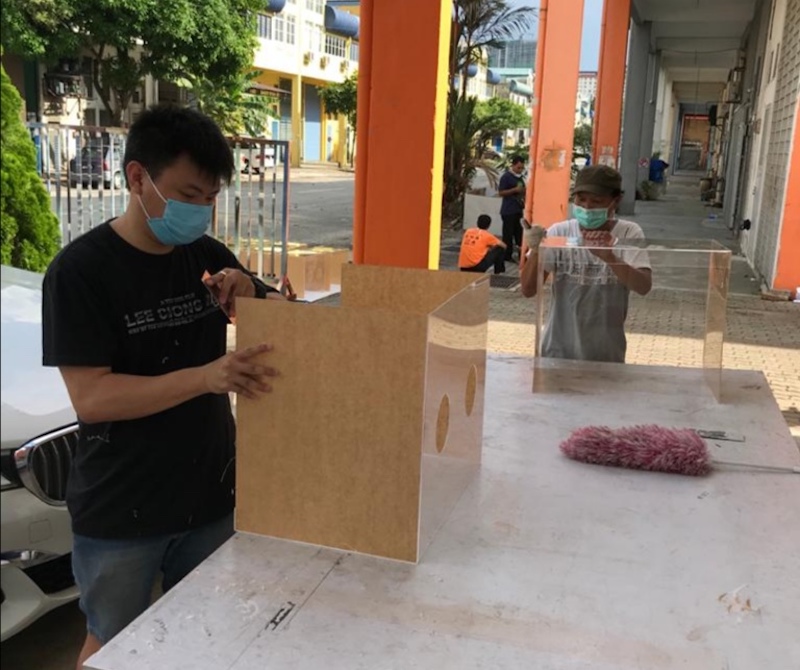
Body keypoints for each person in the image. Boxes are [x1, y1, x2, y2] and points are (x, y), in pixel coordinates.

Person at [42, 104, 283, 669]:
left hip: (209, 498)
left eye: (209, 199)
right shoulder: (80, 273)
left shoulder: (202, 255)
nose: (199, 210)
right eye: (189, 194)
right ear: (137, 178)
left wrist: (251, 292)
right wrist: (204, 377)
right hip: (122, 509)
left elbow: (284, 319)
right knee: (113, 643)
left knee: (200, 634)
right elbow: (93, 398)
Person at [520, 165, 653, 363]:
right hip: (557, 352)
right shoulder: (560, 233)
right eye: (581, 200)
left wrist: (610, 258)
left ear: (615, 201)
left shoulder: (628, 234)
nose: (587, 207)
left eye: (597, 201)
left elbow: (643, 286)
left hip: (606, 355)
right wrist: (537, 250)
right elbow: (528, 289)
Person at [498, 155, 527, 262]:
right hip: (508, 210)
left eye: (522, 168)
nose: (520, 170)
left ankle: (521, 254)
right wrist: (514, 190)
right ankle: (507, 256)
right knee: (508, 235)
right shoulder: (506, 177)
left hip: (518, 209)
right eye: (518, 168)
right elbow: (501, 192)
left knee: (519, 233)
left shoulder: (520, 178)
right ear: (513, 166)